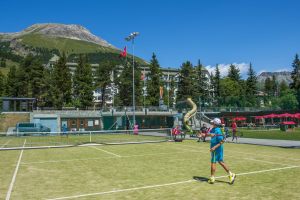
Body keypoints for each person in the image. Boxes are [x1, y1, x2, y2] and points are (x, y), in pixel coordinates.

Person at [201, 118, 236, 184]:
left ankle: (212, 178)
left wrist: (214, 147)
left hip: (217, 148)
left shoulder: (218, 131)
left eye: (212, 122)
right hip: (214, 148)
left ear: (214, 123)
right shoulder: (213, 129)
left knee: (213, 162)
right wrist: (205, 134)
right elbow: (211, 134)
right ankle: (231, 174)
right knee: (220, 162)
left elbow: (222, 141)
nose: (211, 123)